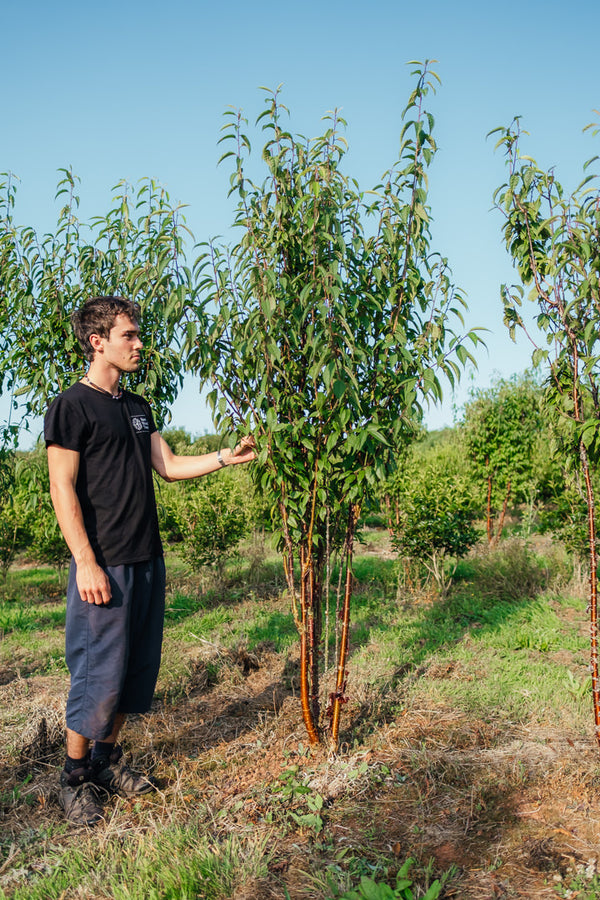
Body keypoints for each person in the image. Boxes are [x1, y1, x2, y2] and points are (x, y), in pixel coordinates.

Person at [44, 295, 255, 826]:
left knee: (134, 671)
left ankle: (106, 762)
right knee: (97, 674)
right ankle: (72, 779)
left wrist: (226, 456)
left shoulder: (137, 408)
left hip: (145, 559)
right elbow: (62, 489)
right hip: (104, 564)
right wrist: (85, 562)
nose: (139, 344)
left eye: (138, 335)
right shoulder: (71, 406)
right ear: (98, 342)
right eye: (129, 336)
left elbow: (168, 465)